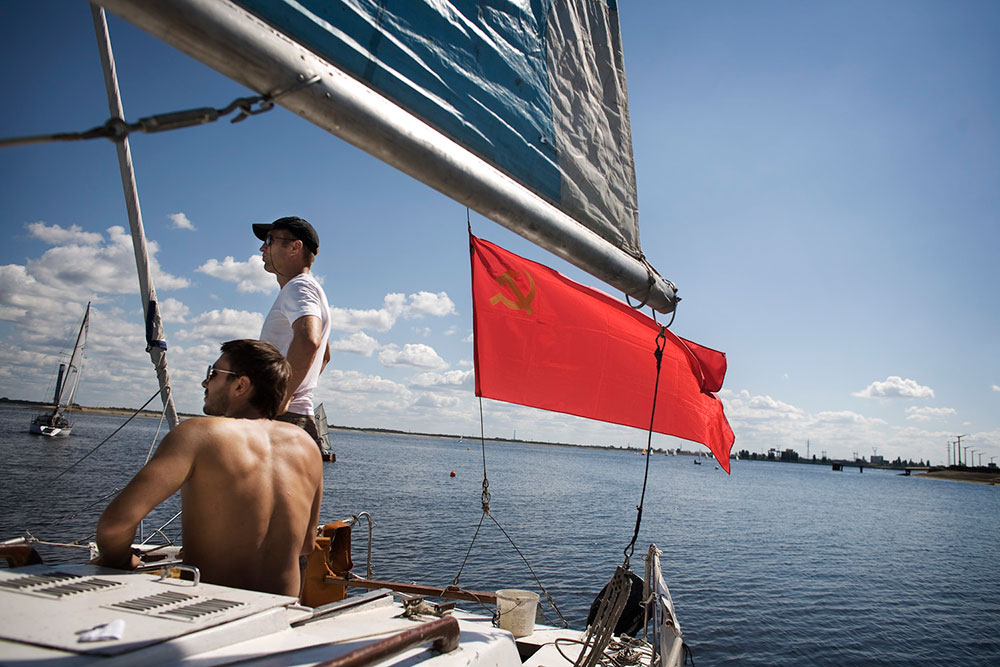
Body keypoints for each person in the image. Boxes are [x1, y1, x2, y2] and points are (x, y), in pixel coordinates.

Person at [92, 340, 323, 597]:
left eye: (213, 374)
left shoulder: (200, 434)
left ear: (240, 385)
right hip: (281, 614)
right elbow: (306, 544)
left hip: (213, 611)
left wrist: (120, 560)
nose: (205, 383)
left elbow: (115, 525)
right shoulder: (307, 446)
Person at [252, 216, 332, 449]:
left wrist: (282, 396)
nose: (262, 247)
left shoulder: (299, 287)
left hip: (283, 419)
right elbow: (324, 356)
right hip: (297, 418)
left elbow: (308, 341)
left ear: (296, 247)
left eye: (269, 240)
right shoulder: (310, 289)